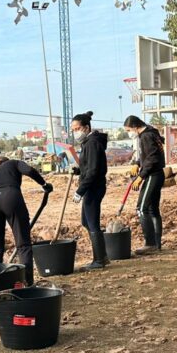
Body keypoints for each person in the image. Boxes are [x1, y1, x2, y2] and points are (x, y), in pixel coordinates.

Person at [0, 156, 53, 286]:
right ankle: (27, 282)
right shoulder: (14, 163)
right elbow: (30, 171)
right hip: (11, 196)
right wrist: (44, 184)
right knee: (23, 244)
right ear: (7, 161)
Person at [70, 111, 109, 270]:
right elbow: (89, 167)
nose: (75, 132)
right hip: (91, 186)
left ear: (86, 127)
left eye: (77, 128)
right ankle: (102, 256)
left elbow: (93, 171)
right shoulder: (88, 142)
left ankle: (99, 260)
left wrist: (80, 190)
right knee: (86, 221)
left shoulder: (92, 143)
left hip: (93, 187)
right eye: (73, 129)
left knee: (92, 223)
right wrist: (79, 171)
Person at [124, 116, 165, 255]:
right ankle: (157, 243)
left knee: (141, 209)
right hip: (157, 174)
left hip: (152, 175)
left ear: (135, 126)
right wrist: (137, 163)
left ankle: (150, 243)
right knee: (153, 209)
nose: (129, 133)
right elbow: (146, 155)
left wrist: (140, 177)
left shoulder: (146, 136)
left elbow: (153, 158)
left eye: (129, 130)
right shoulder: (152, 133)